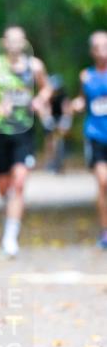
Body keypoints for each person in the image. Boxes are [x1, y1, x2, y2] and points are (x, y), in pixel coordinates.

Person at [0, 26, 51, 258]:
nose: (15, 44)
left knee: (19, 183)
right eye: (10, 40)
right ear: (4, 43)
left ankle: (10, 238)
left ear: (24, 43)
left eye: (19, 40)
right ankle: (9, 213)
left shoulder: (34, 66)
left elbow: (47, 87)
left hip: (24, 133)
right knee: (4, 187)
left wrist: (39, 99)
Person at [71, 30, 107, 249]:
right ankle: (105, 230)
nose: (103, 51)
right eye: (98, 47)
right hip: (96, 134)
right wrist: (76, 104)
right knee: (104, 182)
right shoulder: (86, 76)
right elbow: (83, 101)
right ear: (92, 51)